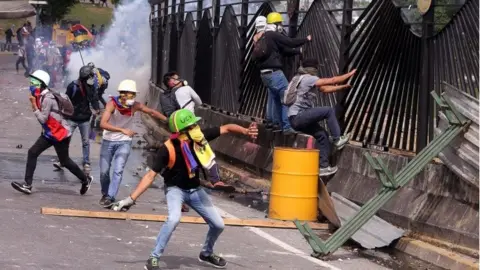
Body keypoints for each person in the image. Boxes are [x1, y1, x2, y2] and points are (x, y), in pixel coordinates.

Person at [111, 109, 259, 270]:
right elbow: (149, 176)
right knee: (174, 219)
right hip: (175, 190)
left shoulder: (198, 138)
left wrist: (245, 131)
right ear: (182, 132)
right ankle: (153, 257)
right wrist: (130, 199)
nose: (197, 127)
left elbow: (226, 128)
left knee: (218, 225)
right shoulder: (167, 149)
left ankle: (206, 254)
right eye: (192, 125)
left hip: (195, 190)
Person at [11, 70, 93, 195]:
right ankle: (27, 185)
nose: (31, 85)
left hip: (59, 135)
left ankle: (85, 180)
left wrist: (34, 106)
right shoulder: (42, 96)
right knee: (32, 152)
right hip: (50, 133)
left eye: (33, 82)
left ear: (41, 84)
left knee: (65, 161)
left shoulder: (47, 98)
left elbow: (43, 118)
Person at [99, 79, 168, 207]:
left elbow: (151, 112)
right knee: (104, 171)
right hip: (108, 141)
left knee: (118, 170)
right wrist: (122, 130)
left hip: (124, 142)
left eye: (132, 94)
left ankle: (110, 196)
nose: (129, 97)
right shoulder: (112, 104)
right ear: (121, 94)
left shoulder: (135, 105)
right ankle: (105, 193)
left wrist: (168, 120)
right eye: (126, 94)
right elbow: (103, 124)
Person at [287, 58, 356, 176]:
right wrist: (351, 73)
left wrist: (343, 87)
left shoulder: (298, 78)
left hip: (294, 119)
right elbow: (333, 80)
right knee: (328, 111)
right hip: (299, 116)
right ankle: (337, 139)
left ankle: (323, 167)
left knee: (322, 135)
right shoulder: (308, 78)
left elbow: (325, 89)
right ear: (313, 69)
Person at [253, 13, 311, 132]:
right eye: (280, 23)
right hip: (275, 73)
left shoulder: (264, 36)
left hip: (265, 75)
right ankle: (287, 126)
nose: (281, 26)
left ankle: (277, 125)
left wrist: (297, 51)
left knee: (276, 99)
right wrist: (306, 39)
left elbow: (283, 50)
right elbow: (289, 42)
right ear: (275, 24)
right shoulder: (273, 35)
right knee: (287, 98)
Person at [53, 65, 100, 173]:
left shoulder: (90, 87)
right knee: (65, 140)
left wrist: (97, 109)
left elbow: (94, 99)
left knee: (86, 142)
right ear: (86, 76)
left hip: (85, 119)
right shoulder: (72, 86)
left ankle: (86, 162)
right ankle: (62, 161)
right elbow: (65, 100)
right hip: (72, 118)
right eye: (90, 76)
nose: (91, 78)